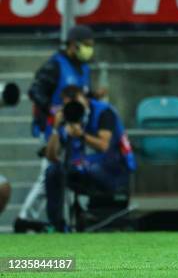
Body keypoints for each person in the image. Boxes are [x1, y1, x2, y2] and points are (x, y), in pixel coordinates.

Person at [15, 25, 99, 232]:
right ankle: (25, 219)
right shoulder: (55, 66)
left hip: (75, 129)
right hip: (53, 128)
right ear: (73, 44)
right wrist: (51, 109)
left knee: (68, 175)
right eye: (86, 45)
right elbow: (35, 90)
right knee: (49, 176)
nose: (89, 50)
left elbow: (83, 96)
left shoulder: (84, 68)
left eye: (91, 46)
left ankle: (70, 219)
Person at [45, 86, 135, 232]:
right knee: (53, 171)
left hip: (113, 168)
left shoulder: (103, 111)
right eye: (69, 103)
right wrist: (56, 129)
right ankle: (57, 225)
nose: (74, 106)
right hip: (83, 167)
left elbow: (104, 146)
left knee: (88, 167)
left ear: (85, 98)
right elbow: (51, 156)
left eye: (76, 101)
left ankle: (87, 214)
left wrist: (81, 135)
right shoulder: (67, 117)